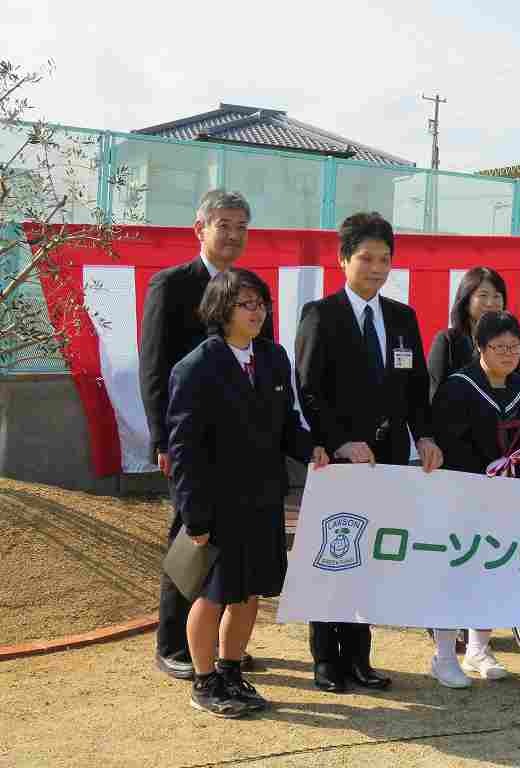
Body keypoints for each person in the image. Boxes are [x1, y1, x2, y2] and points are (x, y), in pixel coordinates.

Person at [166, 268, 329, 717]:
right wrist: (194, 515)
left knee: (250, 591)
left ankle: (231, 672)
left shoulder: (274, 358)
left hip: (263, 499)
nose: (257, 312)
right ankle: (204, 681)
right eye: (246, 304)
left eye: (261, 304)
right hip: (217, 506)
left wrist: (311, 448)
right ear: (222, 309)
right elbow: (184, 449)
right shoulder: (197, 367)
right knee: (213, 593)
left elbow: (284, 426)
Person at [295, 211, 443, 694]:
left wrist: (424, 436)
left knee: (369, 559)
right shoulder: (321, 315)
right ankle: (325, 659)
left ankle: (359, 657)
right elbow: (308, 389)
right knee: (333, 556)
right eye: (366, 258)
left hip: (387, 460)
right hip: (337, 461)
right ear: (343, 260)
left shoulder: (403, 318)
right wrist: (338, 440)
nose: (376, 268)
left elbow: (417, 388)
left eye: (385, 259)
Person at [140, 189, 271, 680]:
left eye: (241, 226)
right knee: (192, 540)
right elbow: (155, 367)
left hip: (242, 449)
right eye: (224, 225)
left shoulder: (250, 290)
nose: (233, 234)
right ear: (200, 229)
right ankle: (173, 643)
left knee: (233, 547)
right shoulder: (171, 285)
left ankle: (223, 649)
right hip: (191, 440)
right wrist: (162, 440)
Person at [430, 311, 520, 688]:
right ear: (480, 347)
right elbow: (448, 442)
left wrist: (519, 479)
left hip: (507, 496)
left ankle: (479, 647)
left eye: (514, 347)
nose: (508, 354)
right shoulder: (458, 387)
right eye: (499, 347)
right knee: (456, 571)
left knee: (495, 567)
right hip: (465, 494)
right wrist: (484, 474)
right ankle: (444, 654)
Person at [427, 267, 520, 400]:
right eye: (483, 295)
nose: (490, 303)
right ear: (466, 301)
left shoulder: (512, 342)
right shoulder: (448, 341)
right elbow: (434, 396)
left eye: (497, 296)